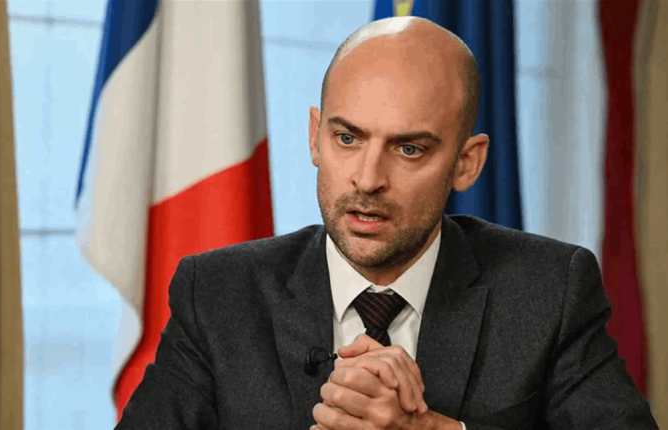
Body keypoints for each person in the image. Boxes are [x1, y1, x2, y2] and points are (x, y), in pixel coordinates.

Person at [115, 16, 658, 430]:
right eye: (347, 138)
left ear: (467, 163)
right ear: (314, 137)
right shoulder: (218, 293)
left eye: (409, 149)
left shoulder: (548, 290)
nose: (367, 179)